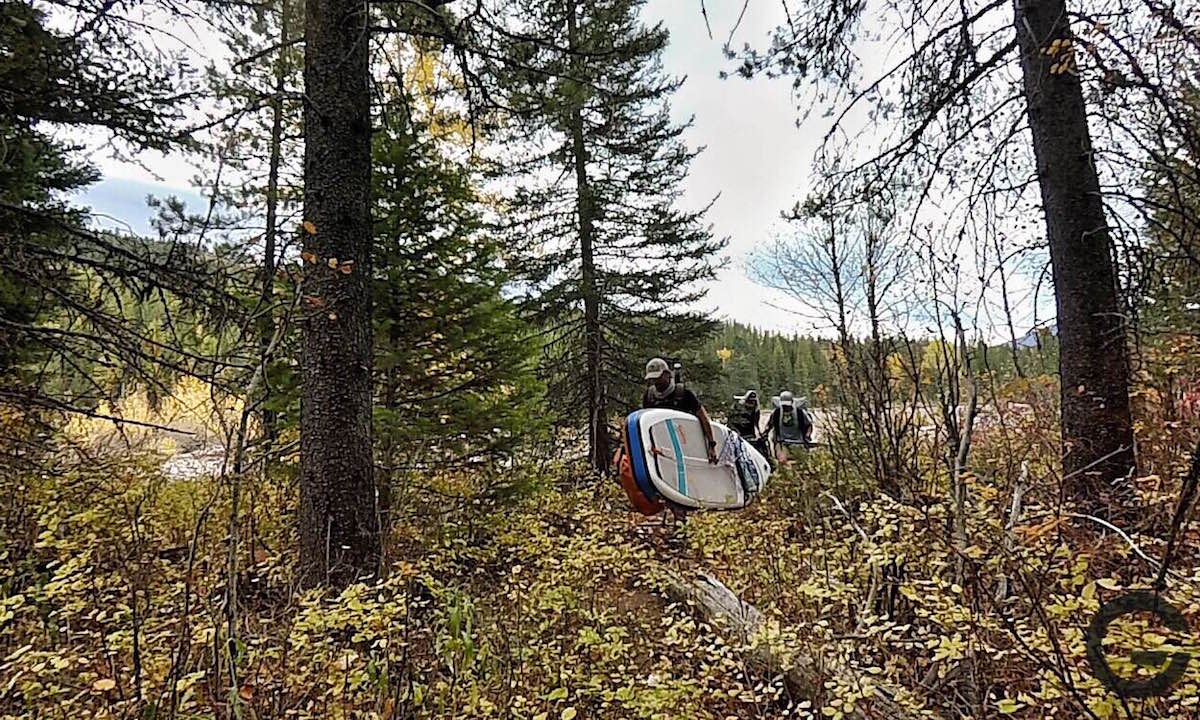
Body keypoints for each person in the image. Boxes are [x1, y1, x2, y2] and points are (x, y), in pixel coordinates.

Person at [642, 357, 718, 464]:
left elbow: (703, 418)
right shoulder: (649, 397)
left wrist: (711, 446)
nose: (656, 382)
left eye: (658, 377)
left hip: (686, 446)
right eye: (653, 379)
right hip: (661, 448)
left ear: (667, 374)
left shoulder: (683, 394)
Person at [763, 391, 813, 459]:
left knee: (800, 462)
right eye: (783, 405)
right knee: (783, 462)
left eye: (787, 405)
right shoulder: (776, 413)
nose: (785, 407)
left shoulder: (800, 413)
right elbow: (769, 425)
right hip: (781, 442)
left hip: (798, 442)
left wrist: (807, 436)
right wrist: (765, 433)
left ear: (792, 402)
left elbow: (809, 425)